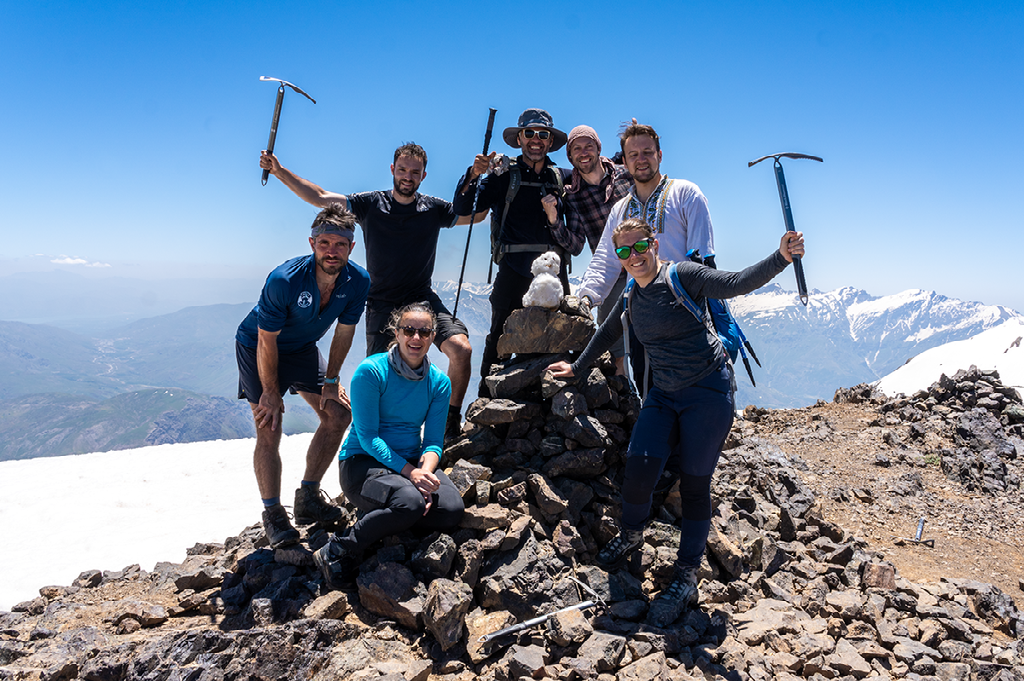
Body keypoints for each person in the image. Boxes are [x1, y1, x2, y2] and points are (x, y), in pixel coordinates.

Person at [547, 217, 805, 628]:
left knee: (694, 483)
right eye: (624, 252)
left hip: (708, 394)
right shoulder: (631, 293)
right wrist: (576, 369)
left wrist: (781, 257)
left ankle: (686, 578)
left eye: (640, 247)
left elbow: (736, 282)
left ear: (654, 243)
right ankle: (632, 534)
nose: (634, 257)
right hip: (664, 395)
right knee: (639, 467)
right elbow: (608, 330)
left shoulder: (682, 275)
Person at [260, 143, 484, 439]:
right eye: (402, 170)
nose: (407, 176)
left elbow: (476, 216)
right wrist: (279, 172)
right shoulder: (370, 204)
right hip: (382, 303)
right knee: (377, 379)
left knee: (461, 349)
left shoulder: (434, 209)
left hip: (421, 300)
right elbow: (321, 197)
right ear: (392, 170)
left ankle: (449, 425)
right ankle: (369, 445)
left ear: (423, 175)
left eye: (414, 172)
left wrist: (478, 177)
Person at [235, 205, 371, 548]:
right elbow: (267, 338)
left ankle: (308, 497)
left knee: (339, 414)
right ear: (312, 243)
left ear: (351, 247)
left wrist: (331, 381)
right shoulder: (285, 280)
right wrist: (269, 391)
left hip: (301, 347)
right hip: (259, 346)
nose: (331, 251)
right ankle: (272, 513)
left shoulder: (358, 281)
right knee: (270, 424)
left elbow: (344, 333)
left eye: (340, 244)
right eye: (324, 242)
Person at [314, 301, 465, 589]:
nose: (416, 338)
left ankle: (388, 517)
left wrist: (424, 474)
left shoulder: (439, 383)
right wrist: (412, 476)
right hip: (361, 465)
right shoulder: (371, 372)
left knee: (452, 509)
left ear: (433, 337)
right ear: (396, 333)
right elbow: (369, 437)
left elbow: (433, 442)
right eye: (409, 330)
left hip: (409, 465)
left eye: (424, 332)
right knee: (410, 502)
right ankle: (338, 549)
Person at [452, 108, 585, 389]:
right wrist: (473, 174)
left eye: (543, 134)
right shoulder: (503, 176)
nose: (536, 139)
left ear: (550, 142)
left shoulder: (562, 178)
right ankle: (485, 406)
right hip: (513, 270)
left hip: (551, 272)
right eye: (530, 133)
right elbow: (463, 207)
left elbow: (595, 173)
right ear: (519, 139)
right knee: (499, 338)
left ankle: (546, 403)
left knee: (553, 339)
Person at [561, 125, 633, 374]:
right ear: (570, 156)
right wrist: (553, 221)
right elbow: (576, 245)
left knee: (652, 340)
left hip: (646, 267)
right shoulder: (573, 196)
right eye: (576, 149)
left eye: (588, 146)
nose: (583, 153)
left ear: (598, 149)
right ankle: (627, 404)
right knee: (615, 351)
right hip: (610, 276)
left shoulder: (626, 175)